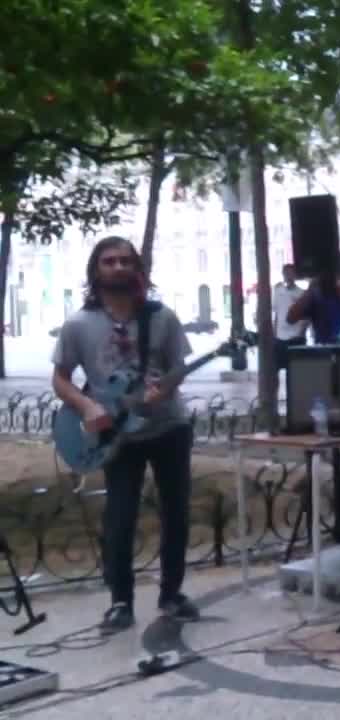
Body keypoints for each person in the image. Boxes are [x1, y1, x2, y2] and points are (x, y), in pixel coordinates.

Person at [51, 236, 199, 630]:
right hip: (117, 436)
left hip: (169, 426)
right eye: (109, 261)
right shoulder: (78, 324)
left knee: (176, 512)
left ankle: (171, 594)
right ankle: (120, 601)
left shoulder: (161, 317)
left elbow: (176, 370)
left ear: (137, 270)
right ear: (95, 271)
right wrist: (87, 406)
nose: (118, 267)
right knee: (120, 516)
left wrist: (162, 390)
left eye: (125, 261)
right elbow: (61, 379)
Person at [286, 257, 340, 345]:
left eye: (339, 274)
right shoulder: (316, 296)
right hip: (324, 354)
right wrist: (310, 291)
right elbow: (290, 318)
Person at [271, 263, 308, 363]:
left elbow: (306, 317)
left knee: (294, 369)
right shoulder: (278, 291)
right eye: (286, 273)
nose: (288, 276)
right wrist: (274, 334)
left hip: (295, 336)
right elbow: (277, 313)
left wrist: (301, 333)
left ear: (295, 275)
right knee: (277, 365)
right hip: (280, 337)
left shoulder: (301, 293)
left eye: (291, 273)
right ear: (283, 274)